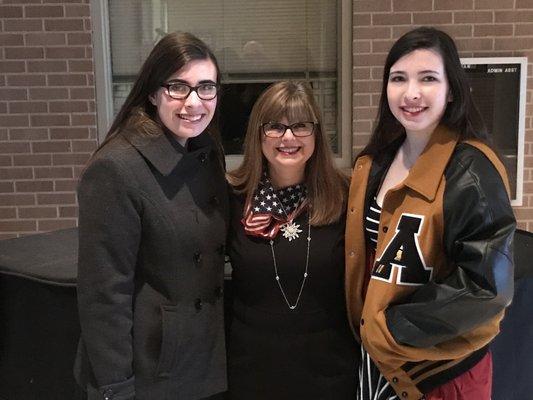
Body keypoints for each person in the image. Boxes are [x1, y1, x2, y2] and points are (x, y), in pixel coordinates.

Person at [345, 26, 516, 400]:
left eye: (428, 78)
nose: (411, 93)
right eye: (398, 78)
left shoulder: (471, 170)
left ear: (451, 88)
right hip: (378, 365)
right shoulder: (375, 162)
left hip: (438, 371)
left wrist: (392, 329)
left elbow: (486, 287)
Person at [75, 32, 228, 400]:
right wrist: (115, 388)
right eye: (179, 87)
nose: (194, 102)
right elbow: (104, 293)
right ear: (153, 92)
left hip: (204, 358)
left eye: (206, 87)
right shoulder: (116, 167)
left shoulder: (205, 154)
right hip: (149, 370)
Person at [226, 81, 358, 399]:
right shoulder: (231, 197)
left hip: (330, 372)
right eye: (274, 126)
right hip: (252, 372)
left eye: (300, 126)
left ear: (316, 134)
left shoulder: (347, 195)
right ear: (258, 135)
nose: (288, 137)